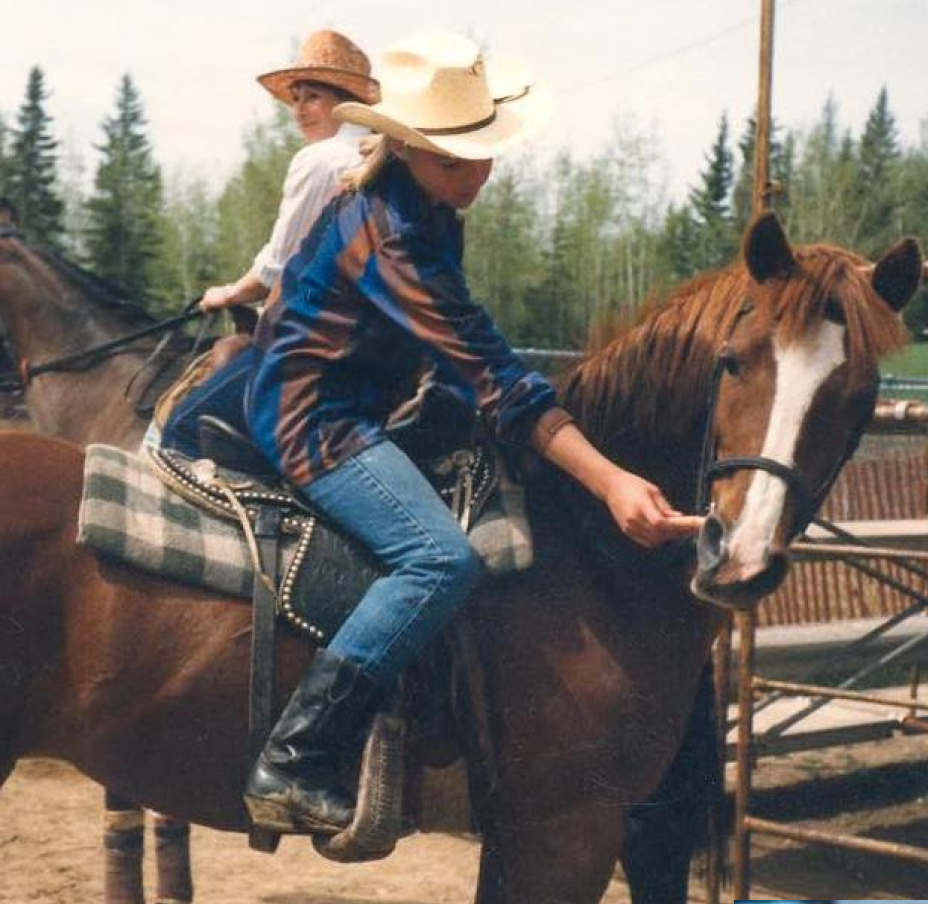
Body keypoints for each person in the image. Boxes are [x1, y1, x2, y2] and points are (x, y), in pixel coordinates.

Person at [240, 30, 701, 836]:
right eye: (457, 160)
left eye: (483, 154)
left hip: (358, 399)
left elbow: (466, 354)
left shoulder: (425, 205)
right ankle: (297, 756)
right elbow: (489, 370)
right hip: (313, 417)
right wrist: (612, 480)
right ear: (410, 150)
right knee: (436, 558)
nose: (477, 172)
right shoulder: (389, 230)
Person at [160, 30, 379, 453]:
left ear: (345, 102)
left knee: (182, 428)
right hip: (370, 338)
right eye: (295, 99)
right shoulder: (378, 155)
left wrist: (225, 294)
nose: (298, 111)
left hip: (314, 343)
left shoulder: (321, 160)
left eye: (311, 96)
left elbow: (275, 268)